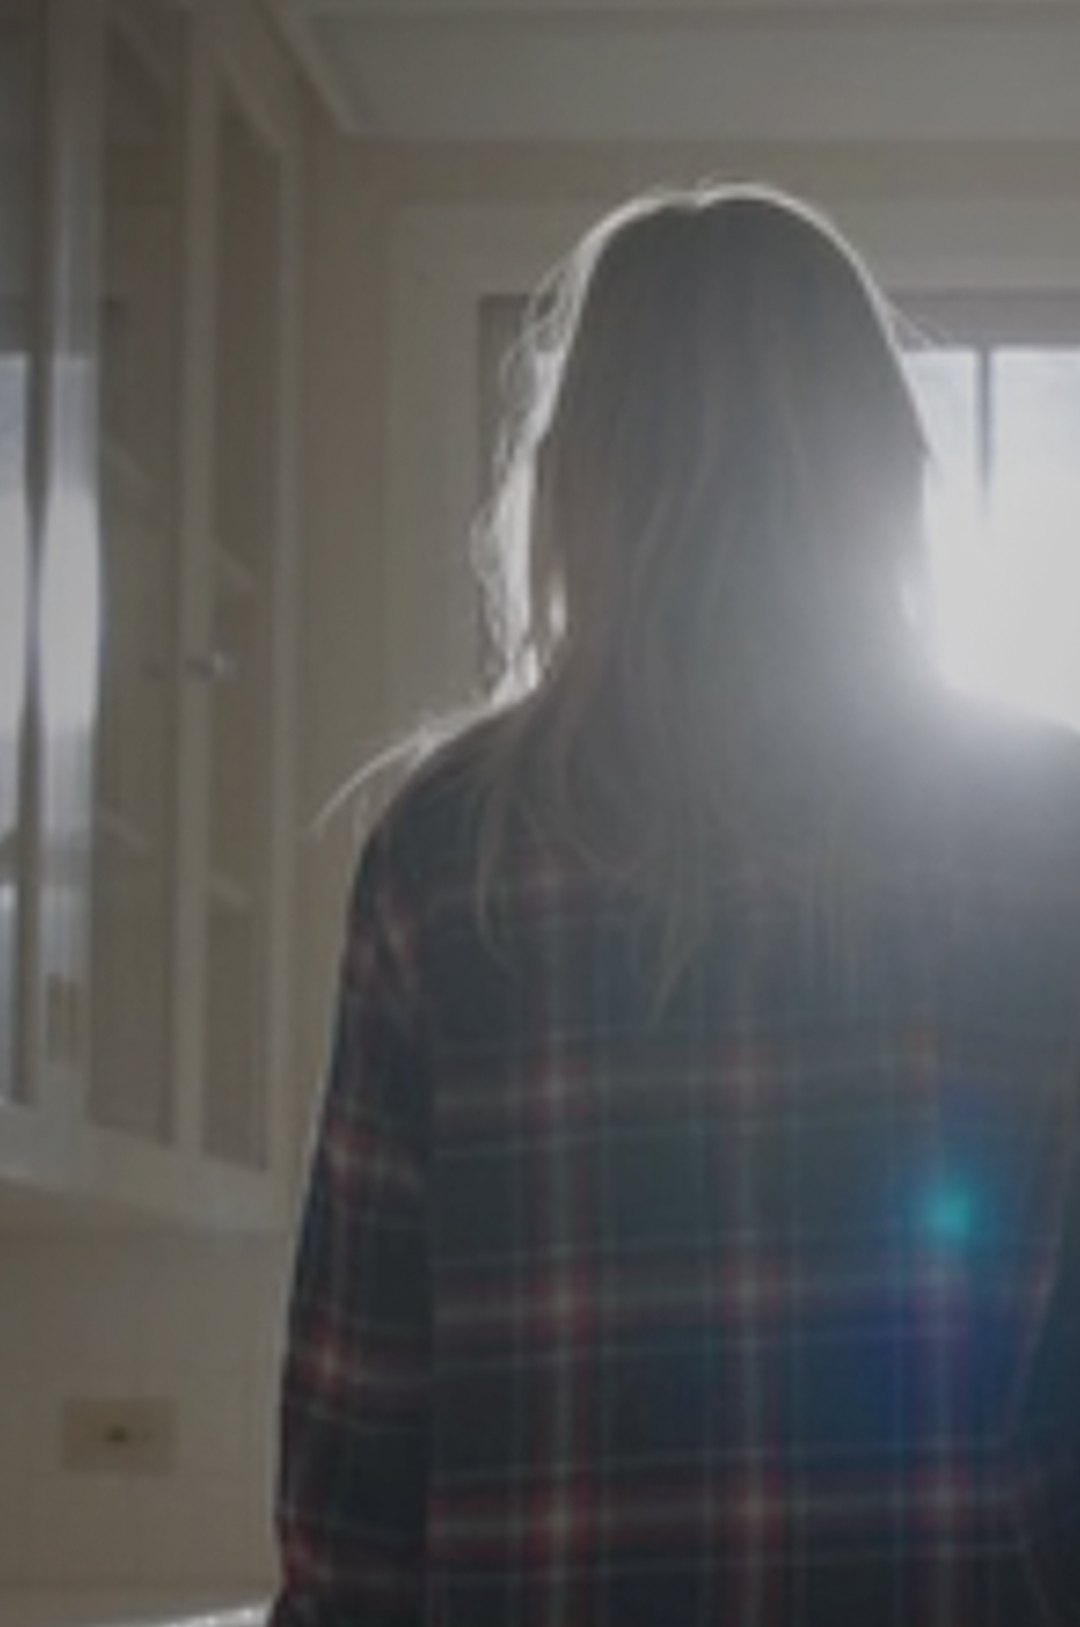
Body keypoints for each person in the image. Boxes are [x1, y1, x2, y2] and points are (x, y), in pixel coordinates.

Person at [269, 185, 1080, 1626]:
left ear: (577, 478)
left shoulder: (447, 852)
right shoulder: (1040, 830)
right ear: (884, 464)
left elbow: (359, 1425)